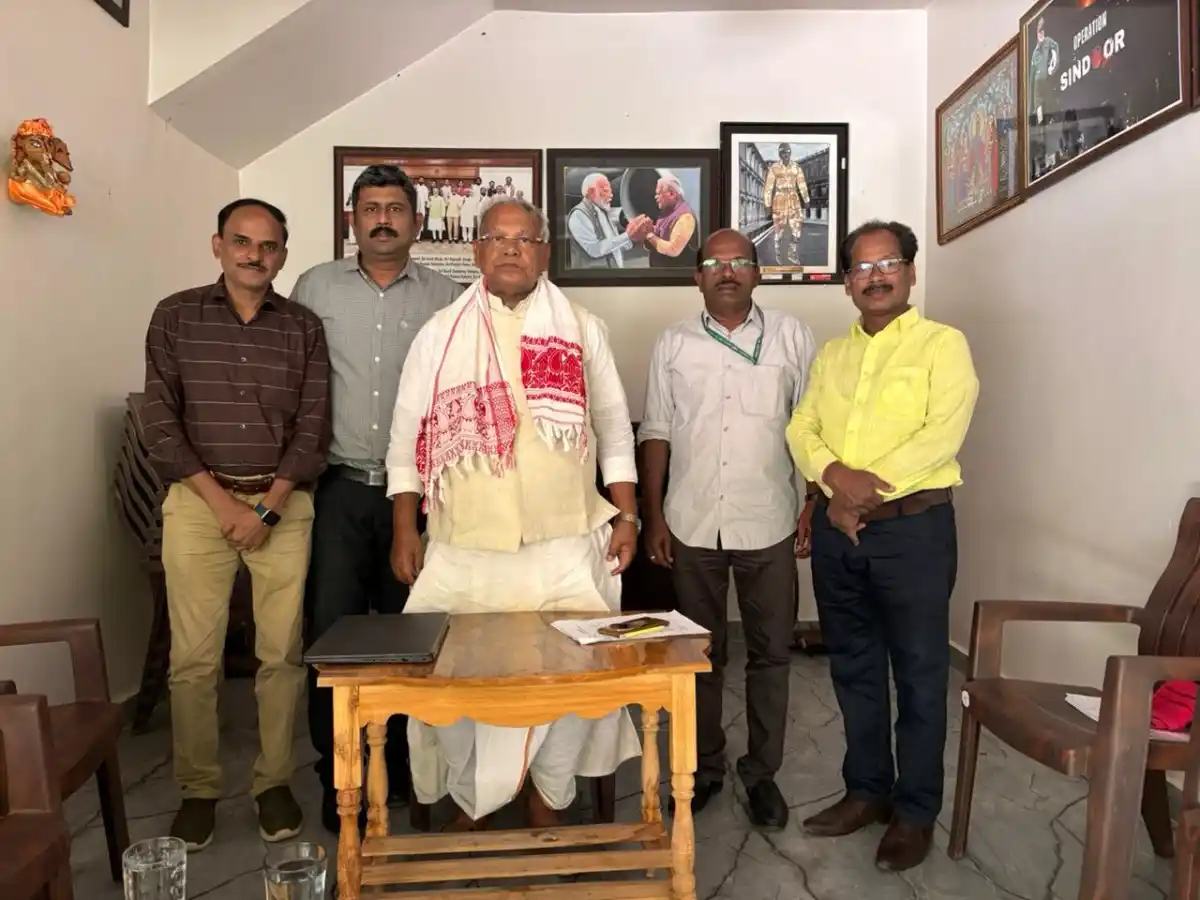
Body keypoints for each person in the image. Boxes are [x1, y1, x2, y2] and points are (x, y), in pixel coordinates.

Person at [386, 195, 642, 831]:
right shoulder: (440, 333)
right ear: (477, 251)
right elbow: (406, 436)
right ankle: (475, 796)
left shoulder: (581, 326)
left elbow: (613, 427)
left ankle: (548, 795)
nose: (509, 249)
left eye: (523, 239)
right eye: (497, 238)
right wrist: (404, 528)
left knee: (578, 677)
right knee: (442, 679)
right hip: (465, 543)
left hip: (564, 541)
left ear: (543, 253)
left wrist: (628, 515)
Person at [786, 219, 978, 871]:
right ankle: (867, 791)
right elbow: (802, 426)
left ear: (911, 272)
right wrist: (834, 479)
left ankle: (915, 811)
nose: (875, 276)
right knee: (853, 667)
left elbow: (941, 434)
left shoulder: (942, 346)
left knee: (920, 674)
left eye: (888, 263)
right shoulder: (831, 355)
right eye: (862, 267)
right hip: (839, 534)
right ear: (847, 282)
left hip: (914, 532)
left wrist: (856, 494)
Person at [142, 199, 331, 850]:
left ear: (283, 255)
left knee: (282, 655)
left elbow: (313, 424)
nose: (256, 255)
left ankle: (273, 783)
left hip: (283, 504)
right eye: (242, 242)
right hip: (200, 507)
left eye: (269, 245)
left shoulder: (303, 326)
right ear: (217, 245)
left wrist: (269, 506)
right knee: (194, 662)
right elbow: (160, 420)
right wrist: (223, 506)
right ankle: (198, 791)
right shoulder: (175, 316)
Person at [293, 165, 461, 833]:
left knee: (410, 636)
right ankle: (337, 774)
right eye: (371, 208)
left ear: (417, 221)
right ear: (352, 218)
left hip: (417, 499)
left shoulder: (448, 297)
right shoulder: (315, 287)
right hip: (336, 489)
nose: (383, 219)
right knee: (330, 637)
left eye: (395, 208)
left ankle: (403, 766)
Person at [640, 228, 816, 830]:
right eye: (715, 263)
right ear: (697, 277)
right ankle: (703, 767)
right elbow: (656, 429)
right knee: (698, 654)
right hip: (692, 522)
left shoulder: (791, 336)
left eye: (740, 261)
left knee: (771, 654)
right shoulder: (673, 343)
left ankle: (762, 773)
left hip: (768, 520)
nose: (728, 271)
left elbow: (811, 426)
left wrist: (811, 501)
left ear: (757, 273)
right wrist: (654, 513)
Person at [566, 172, 653, 269]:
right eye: (606, 191)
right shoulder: (579, 215)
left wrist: (634, 238)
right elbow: (595, 250)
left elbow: (615, 246)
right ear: (591, 192)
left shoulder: (603, 212)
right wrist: (627, 235)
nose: (611, 195)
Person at [764, 143, 810, 266]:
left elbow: (802, 184)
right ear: (779, 154)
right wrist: (767, 204)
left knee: (797, 229)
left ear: (790, 153)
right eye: (783, 152)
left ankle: (792, 252)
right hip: (779, 200)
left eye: (787, 152)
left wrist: (806, 199)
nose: (785, 155)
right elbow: (768, 187)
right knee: (778, 231)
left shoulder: (796, 167)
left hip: (794, 200)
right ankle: (778, 254)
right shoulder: (774, 168)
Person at [644, 175, 699, 269]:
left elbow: (674, 250)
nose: (655, 197)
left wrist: (650, 235)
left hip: (677, 274)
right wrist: (648, 229)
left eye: (659, 194)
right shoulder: (666, 212)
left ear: (671, 194)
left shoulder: (686, 217)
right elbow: (662, 235)